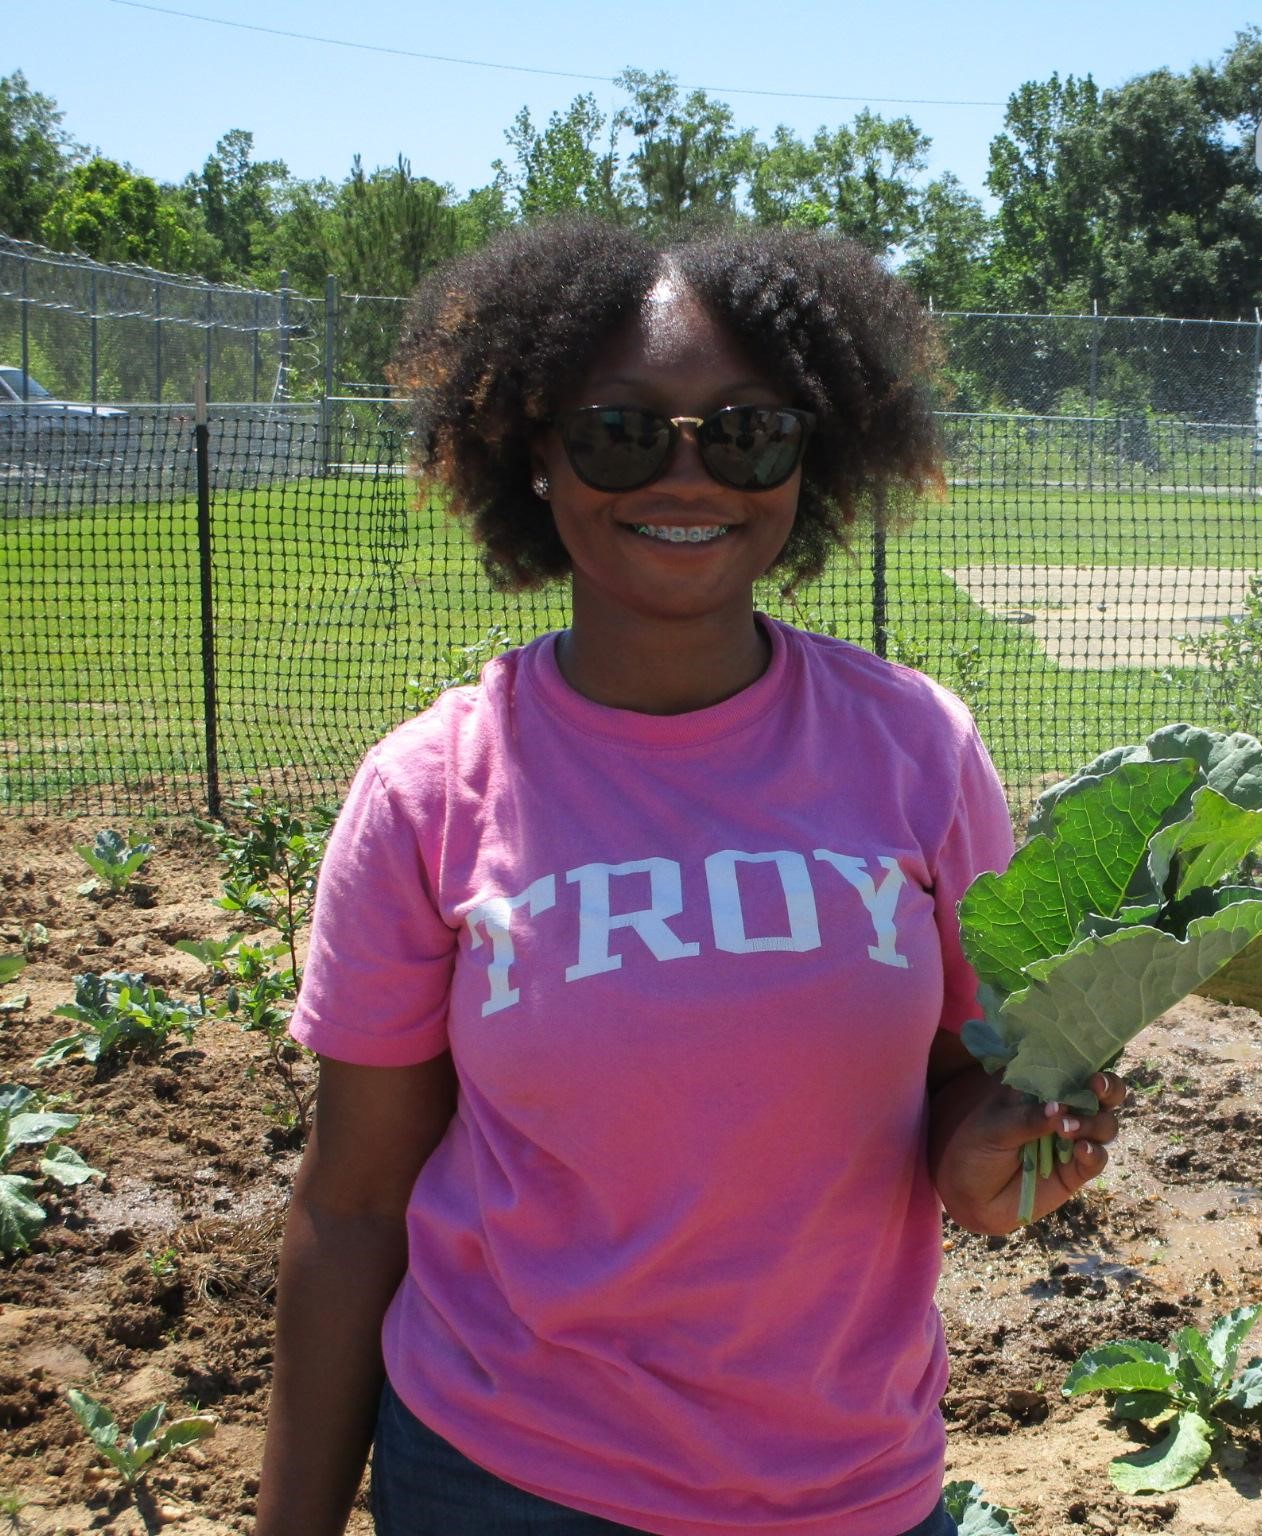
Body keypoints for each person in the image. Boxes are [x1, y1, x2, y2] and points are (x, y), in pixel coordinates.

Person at [254, 218, 1126, 1536]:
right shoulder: (430, 792)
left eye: (745, 432)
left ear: (804, 462)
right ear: (535, 455)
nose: (687, 474)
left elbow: (965, 1091)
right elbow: (356, 1201)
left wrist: (998, 1155)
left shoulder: (918, 750)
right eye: (619, 430)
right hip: (505, 1478)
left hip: (848, 1488)